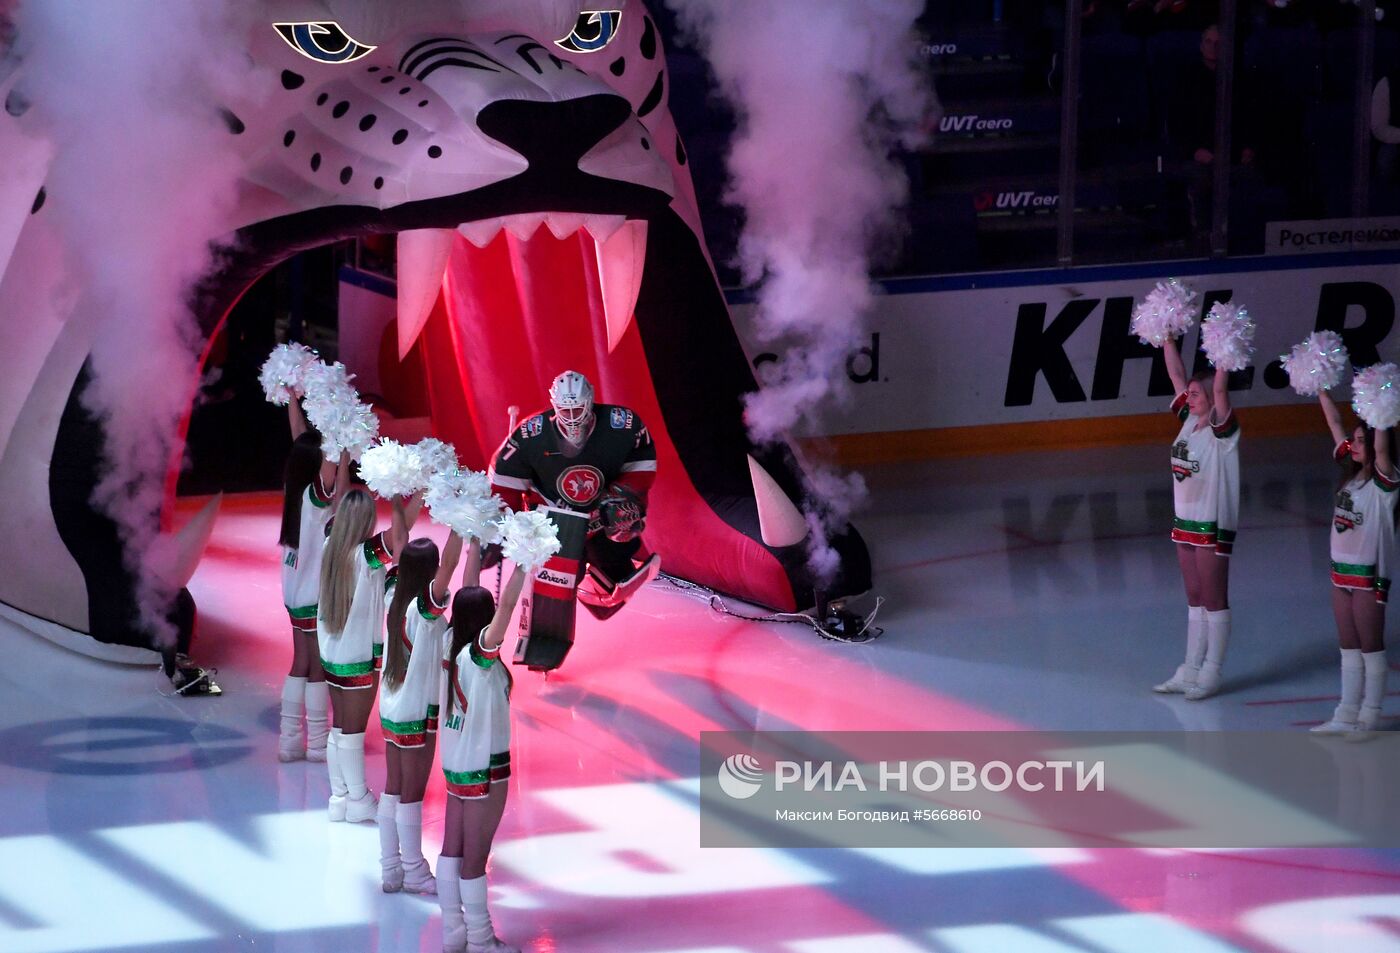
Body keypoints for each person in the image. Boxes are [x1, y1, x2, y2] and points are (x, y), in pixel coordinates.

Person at [437, 549, 528, 953]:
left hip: (457, 764)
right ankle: (480, 938)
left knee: (452, 849)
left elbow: (468, 590)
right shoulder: (478, 656)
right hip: (484, 769)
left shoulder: (447, 642)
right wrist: (528, 558)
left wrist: (473, 541)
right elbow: (506, 607)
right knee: (476, 857)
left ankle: (453, 931)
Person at [317, 486, 418, 822]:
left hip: (332, 654)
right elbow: (401, 536)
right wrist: (395, 494)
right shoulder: (365, 554)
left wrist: (415, 495)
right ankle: (358, 799)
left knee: (340, 727)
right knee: (353, 731)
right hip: (357, 656)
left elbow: (400, 532)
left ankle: (339, 797)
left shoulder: (331, 542)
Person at [377, 531, 462, 893]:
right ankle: (412, 870)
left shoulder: (393, 593)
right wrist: (463, 525)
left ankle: (390, 868)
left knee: (393, 789)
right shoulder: (422, 610)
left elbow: (401, 538)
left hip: (392, 704)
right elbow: (451, 566)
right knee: (411, 794)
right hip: (415, 711)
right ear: (429, 571)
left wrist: (398, 499)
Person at [1153, 343, 1239, 701]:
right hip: (1184, 524)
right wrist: (1167, 338)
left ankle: (1212, 672)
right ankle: (1189, 668)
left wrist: (1225, 349)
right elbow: (1175, 374)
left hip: (1211, 525)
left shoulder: (1223, 431)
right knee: (1193, 596)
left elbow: (1220, 387)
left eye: (1196, 393)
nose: (1189, 397)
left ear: (1212, 398)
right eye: (1189, 393)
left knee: (1213, 597)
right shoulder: (1188, 421)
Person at [1312, 390, 1395, 735]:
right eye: (1354, 440)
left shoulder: (1385, 482)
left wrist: (1380, 413)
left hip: (1368, 577)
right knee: (1348, 645)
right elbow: (1334, 423)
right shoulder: (1350, 475)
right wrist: (1320, 386)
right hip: (1339, 574)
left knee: (1370, 646)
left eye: (1362, 440)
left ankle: (1370, 714)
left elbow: (1382, 448)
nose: (1354, 444)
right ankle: (1346, 712)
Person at [278, 400, 347, 762]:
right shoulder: (314, 497)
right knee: (315, 664)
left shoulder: (294, 489)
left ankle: (289, 741)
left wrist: (293, 398)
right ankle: (317, 744)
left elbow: (299, 442)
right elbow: (329, 458)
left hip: (292, 588)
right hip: (310, 592)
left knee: (299, 661)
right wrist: (340, 421)